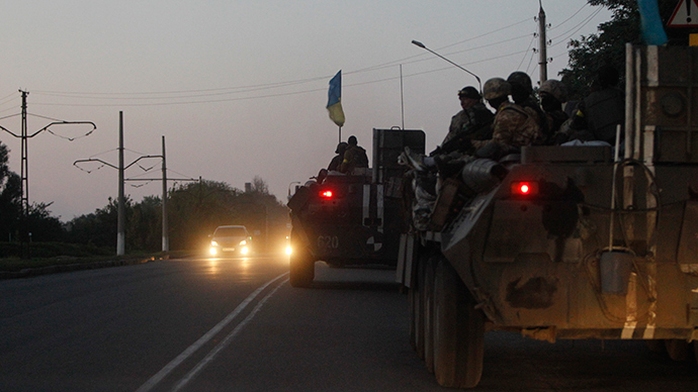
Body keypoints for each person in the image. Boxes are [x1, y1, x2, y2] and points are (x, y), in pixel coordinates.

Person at [470, 77, 542, 159]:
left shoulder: (506, 115)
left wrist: (473, 144)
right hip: (527, 152)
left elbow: (497, 144)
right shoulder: (513, 109)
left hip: (524, 154)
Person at [507, 71, 548, 143]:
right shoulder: (521, 107)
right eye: (512, 88)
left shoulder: (528, 109)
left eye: (516, 88)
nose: (513, 92)